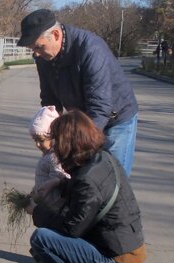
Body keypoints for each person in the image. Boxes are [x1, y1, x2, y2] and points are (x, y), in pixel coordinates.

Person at [28, 110, 146, 263]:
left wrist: (37, 212)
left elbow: (72, 228)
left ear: (68, 143)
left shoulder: (87, 180)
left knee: (42, 240)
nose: (54, 146)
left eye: (56, 140)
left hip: (119, 262)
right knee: (58, 239)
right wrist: (59, 183)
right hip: (129, 249)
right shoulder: (103, 158)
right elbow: (86, 203)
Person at [18, 9, 140, 175]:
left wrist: (77, 145)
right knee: (80, 176)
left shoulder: (91, 50)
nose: (36, 54)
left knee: (111, 179)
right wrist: (53, 136)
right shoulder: (43, 58)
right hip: (84, 118)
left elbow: (99, 107)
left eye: (39, 47)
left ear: (55, 34)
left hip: (115, 118)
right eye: (33, 49)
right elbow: (50, 100)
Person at [22, 105, 71, 263]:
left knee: (49, 240)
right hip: (46, 203)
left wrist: (43, 191)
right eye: (34, 140)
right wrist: (35, 191)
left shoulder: (55, 157)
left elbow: (61, 177)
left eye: (40, 140)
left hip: (53, 207)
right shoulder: (49, 154)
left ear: (53, 137)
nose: (37, 144)